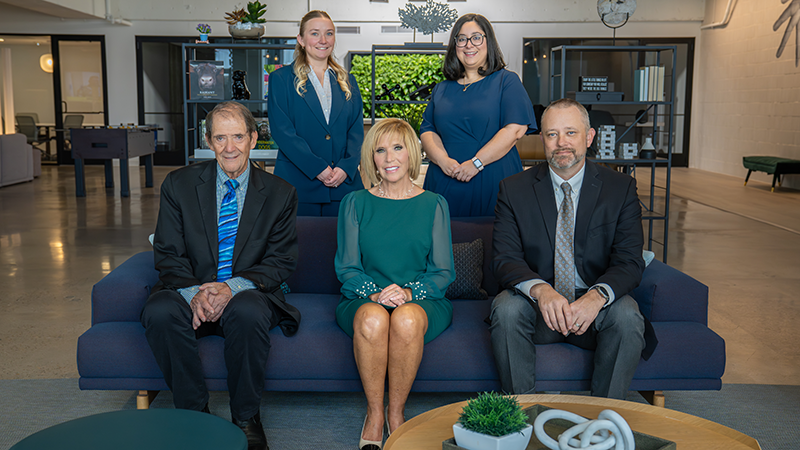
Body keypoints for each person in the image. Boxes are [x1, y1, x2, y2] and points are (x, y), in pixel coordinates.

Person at [141, 101, 300, 450]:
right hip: (188, 289)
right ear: (209, 142)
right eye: (220, 138)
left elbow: (281, 260)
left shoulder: (280, 193)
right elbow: (167, 252)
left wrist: (230, 288)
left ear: (253, 139)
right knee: (159, 311)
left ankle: (245, 417)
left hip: (248, 291)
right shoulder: (178, 185)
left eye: (238, 137)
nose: (230, 148)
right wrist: (197, 292)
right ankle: (194, 414)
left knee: (246, 311)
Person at [489, 98, 652, 400]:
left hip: (593, 306)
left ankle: (604, 422)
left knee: (628, 315)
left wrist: (597, 296)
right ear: (543, 140)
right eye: (552, 134)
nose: (561, 143)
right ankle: (521, 416)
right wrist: (541, 290)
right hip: (540, 308)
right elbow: (505, 259)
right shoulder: (514, 189)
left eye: (570, 133)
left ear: (589, 138)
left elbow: (629, 261)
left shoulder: (620, 188)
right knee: (507, 308)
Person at [335, 118, 455, 450]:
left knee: (405, 318)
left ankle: (396, 413)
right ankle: (374, 414)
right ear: (371, 158)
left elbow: (443, 272)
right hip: (362, 299)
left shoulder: (434, 204)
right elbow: (346, 268)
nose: (389, 158)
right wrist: (374, 292)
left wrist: (408, 293)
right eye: (381, 150)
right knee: (374, 318)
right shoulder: (354, 203)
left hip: (424, 300)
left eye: (398, 148)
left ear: (412, 154)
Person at [420, 13, 537, 217]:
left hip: (492, 178)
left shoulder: (506, 81)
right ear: (454, 45)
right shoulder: (441, 89)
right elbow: (428, 131)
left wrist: (477, 163)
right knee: (443, 243)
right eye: (462, 39)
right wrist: (442, 160)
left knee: (495, 243)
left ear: (488, 41)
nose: (468, 45)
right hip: (444, 179)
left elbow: (516, 129)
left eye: (476, 37)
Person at [268, 10, 364, 216]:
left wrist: (345, 168)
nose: (323, 40)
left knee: (344, 246)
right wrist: (317, 168)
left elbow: (356, 131)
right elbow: (282, 131)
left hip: (343, 185)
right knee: (301, 247)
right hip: (298, 184)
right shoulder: (281, 79)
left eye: (329, 33)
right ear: (301, 39)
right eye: (314, 33)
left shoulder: (348, 81)